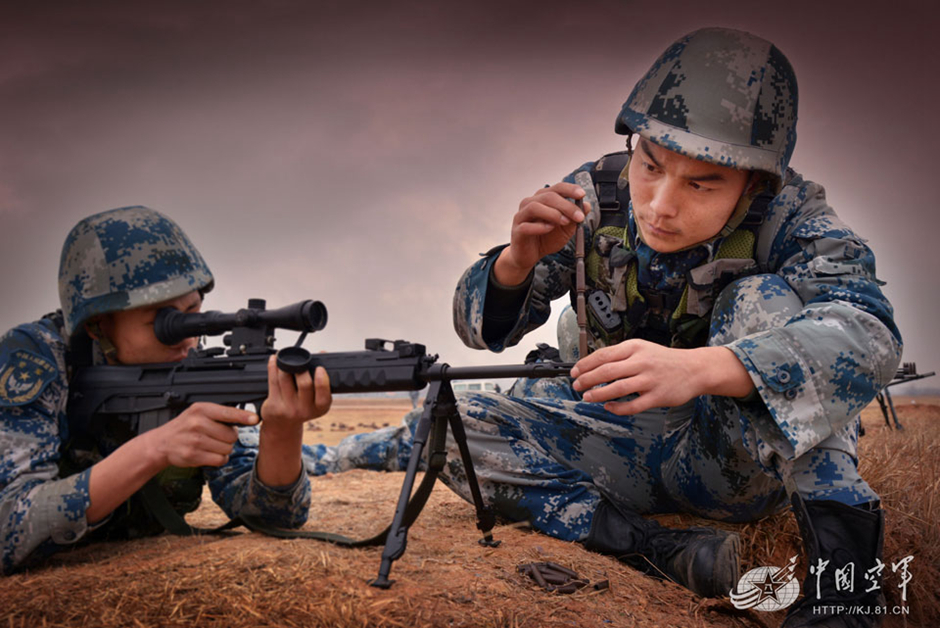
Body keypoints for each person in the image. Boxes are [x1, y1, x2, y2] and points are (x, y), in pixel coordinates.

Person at [303, 27, 901, 627]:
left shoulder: (793, 218)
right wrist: (516, 262)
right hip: (618, 448)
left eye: (700, 183)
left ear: (756, 183)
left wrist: (703, 368)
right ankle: (658, 551)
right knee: (460, 421)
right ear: (633, 145)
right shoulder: (596, 198)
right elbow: (478, 331)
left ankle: (843, 597)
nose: (660, 204)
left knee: (762, 302)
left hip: (731, 463)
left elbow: (869, 336)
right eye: (651, 166)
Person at [0, 206, 332, 574]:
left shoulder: (192, 366)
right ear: (97, 326)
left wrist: (282, 431)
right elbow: (6, 528)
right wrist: (153, 450)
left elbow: (272, 518)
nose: (188, 337)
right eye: (163, 323)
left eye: (193, 311)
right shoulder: (36, 359)